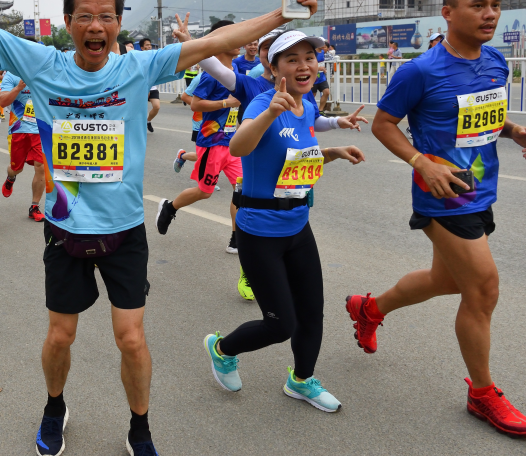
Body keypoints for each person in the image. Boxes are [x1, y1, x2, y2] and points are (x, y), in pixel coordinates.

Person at [0, 0, 317, 455]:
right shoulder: (42, 63)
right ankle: (55, 407)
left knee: (131, 338)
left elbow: (215, 43)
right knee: (61, 336)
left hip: (125, 230)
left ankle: (140, 425)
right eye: (84, 15)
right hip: (65, 231)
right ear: (68, 25)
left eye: (107, 16)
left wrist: (280, 17)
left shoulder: (139, 67)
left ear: (118, 25)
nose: (96, 25)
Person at [347, 0, 526, 438]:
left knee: (445, 280)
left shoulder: (495, 60)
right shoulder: (419, 70)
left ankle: (370, 309)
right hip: (445, 194)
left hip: (482, 187)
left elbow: (481, 111)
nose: (490, 13)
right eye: (478, 5)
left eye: (495, 5)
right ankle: (482, 393)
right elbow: (384, 123)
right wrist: (419, 162)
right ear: (449, 13)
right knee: (483, 289)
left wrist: (513, 131)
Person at [201, 31, 364, 415]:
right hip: (259, 232)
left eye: (310, 56)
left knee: (312, 313)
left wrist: (334, 152)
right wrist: (271, 112)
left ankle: (302, 380)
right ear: (273, 68)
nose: (304, 65)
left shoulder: (305, 107)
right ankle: (222, 349)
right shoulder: (261, 103)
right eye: (292, 59)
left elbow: (296, 161)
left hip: (297, 226)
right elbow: (239, 146)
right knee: (280, 324)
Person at [179, 26, 369, 301]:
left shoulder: (304, 90)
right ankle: (247, 258)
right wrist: (191, 43)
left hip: (294, 188)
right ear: (273, 61)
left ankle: (260, 262)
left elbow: (313, 120)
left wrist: (338, 123)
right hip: (251, 159)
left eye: (308, 56)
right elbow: (219, 72)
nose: (262, 48)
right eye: (271, 48)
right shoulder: (254, 85)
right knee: (244, 201)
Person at [156, 19, 244, 255]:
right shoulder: (210, 76)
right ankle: (169, 207)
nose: (241, 42)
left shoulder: (237, 72)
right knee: (204, 192)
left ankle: (237, 237)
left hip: (232, 142)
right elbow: (195, 103)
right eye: (235, 37)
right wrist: (226, 102)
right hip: (212, 142)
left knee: (242, 190)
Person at [0, 70, 46, 222]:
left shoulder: (45, 73)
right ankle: (11, 177)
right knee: (16, 168)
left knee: (41, 167)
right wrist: (18, 88)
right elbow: (3, 101)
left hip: (41, 129)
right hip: (19, 128)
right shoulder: (12, 75)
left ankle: (34, 206)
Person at [140, 38, 161, 132]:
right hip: (142, 88)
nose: (149, 47)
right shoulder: (139, 59)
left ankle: (148, 121)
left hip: (152, 87)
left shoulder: (154, 57)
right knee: (141, 110)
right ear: (142, 47)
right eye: (147, 45)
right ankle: (138, 125)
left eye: (150, 45)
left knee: (156, 107)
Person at [312, 41, 331, 112]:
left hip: (322, 77)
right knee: (312, 96)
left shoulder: (322, 52)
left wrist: (323, 69)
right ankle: (312, 111)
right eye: (321, 44)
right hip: (314, 78)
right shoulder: (313, 53)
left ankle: (321, 110)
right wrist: (317, 68)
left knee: (326, 92)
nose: (323, 45)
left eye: (324, 44)